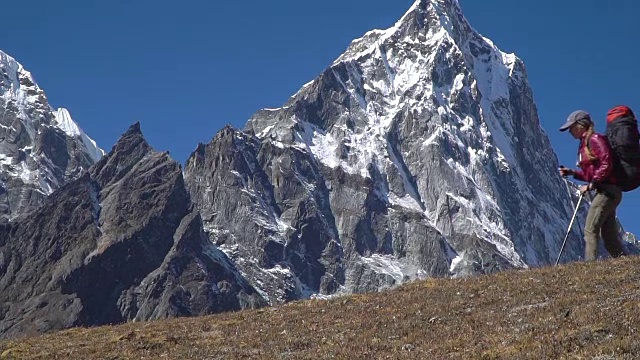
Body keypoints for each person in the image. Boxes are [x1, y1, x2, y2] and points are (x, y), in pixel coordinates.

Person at [558, 110, 625, 261]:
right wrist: (573, 173)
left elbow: (606, 162)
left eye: (572, 127)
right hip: (608, 191)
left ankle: (589, 267)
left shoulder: (594, 139)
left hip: (607, 191)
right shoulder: (584, 144)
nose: (570, 131)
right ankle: (626, 262)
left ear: (581, 125)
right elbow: (591, 173)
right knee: (609, 237)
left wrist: (592, 184)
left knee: (590, 228)